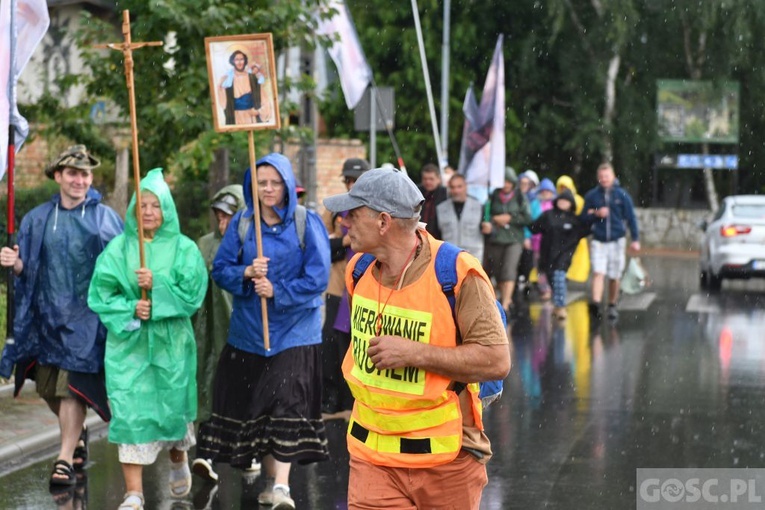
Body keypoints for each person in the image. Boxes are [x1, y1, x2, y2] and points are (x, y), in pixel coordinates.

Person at [322, 167, 510, 510]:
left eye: (353, 213)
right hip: (371, 457)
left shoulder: (457, 274)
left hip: (445, 461)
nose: (344, 221)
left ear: (383, 222)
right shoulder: (358, 269)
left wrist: (415, 353)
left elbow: (497, 360)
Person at [196, 153, 330, 510]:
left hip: (296, 333)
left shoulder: (306, 222)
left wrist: (279, 290)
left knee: (286, 404)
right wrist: (246, 273)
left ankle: (283, 486)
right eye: (261, 183)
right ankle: (272, 480)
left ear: (287, 184)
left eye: (275, 182)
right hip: (250, 334)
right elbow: (220, 269)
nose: (268, 189)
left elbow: (317, 277)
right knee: (260, 411)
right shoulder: (242, 223)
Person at [0, 144, 123, 487]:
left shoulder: (105, 220)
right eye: (72, 173)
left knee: (71, 389)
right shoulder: (37, 219)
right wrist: (15, 264)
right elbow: (29, 269)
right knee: (49, 389)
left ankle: (64, 457)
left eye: (84, 174)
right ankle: (77, 433)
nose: (79, 180)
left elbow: (122, 267)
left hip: (86, 321)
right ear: (58, 176)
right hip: (45, 320)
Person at [88, 168, 208, 510]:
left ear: (166, 209)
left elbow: (193, 295)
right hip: (130, 348)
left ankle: (177, 457)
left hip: (172, 346)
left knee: (173, 409)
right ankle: (134, 493)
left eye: (155, 205)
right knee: (130, 413)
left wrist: (159, 287)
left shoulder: (184, 249)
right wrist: (131, 308)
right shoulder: (118, 249)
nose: (148, 212)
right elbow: (100, 295)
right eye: (142, 205)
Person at [191, 185, 245, 484]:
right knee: (210, 389)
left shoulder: (251, 244)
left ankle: (245, 451)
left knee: (241, 390)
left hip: (238, 330)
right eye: (219, 216)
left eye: (229, 216)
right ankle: (206, 452)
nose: (223, 223)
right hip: (208, 334)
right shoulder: (204, 244)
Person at [320, 157, 370, 416]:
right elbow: (322, 247)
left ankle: (355, 400)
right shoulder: (334, 210)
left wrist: (346, 241)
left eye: (357, 180)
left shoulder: (373, 208)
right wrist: (346, 241)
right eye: (349, 180)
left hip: (365, 288)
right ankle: (332, 399)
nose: (352, 185)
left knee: (358, 345)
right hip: (336, 286)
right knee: (331, 344)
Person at [581, 162, 640, 320]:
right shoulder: (592, 196)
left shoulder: (622, 195)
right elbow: (583, 217)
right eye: (601, 177)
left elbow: (631, 218)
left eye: (607, 176)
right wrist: (596, 214)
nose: (604, 179)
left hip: (617, 240)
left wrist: (635, 239)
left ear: (613, 176)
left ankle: (612, 304)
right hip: (599, 239)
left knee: (614, 275)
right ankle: (596, 303)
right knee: (598, 272)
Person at [528, 190, 594, 320]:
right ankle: (557, 305)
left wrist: (593, 216)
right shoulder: (548, 216)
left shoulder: (574, 220)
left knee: (559, 277)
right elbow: (533, 227)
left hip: (564, 255)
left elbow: (586, 230)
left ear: (571, 204)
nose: (563, 203)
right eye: (561, 200)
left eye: (566, 201)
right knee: (552, 280)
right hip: (547, 254)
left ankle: (561, 306)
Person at [484, 166, 532, 315]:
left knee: (509, 270)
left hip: (514, 238)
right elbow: (486, 214)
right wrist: (494, 220)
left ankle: (505, 303)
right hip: (497, 238)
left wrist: (511, 218)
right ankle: (501, 299)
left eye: (508, 182)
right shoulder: (493, 196)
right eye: (503, 182)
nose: (506, 185)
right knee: (497, 271)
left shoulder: (519, 197)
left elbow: (528, 217)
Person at [436, 172, 489, 262]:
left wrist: (490, 230)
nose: (456, 191)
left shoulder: (479, 206)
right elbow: (436, 233)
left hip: (473, 256)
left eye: (459, 187)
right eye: (452, 187)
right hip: (449, 256)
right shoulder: (440, 208)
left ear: (466, 187)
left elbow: (488, 232)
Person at [218, 50, 272, 125]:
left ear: (245, 61)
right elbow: (223, 101)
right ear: (233, 61)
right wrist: (220, 85)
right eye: (237, 60)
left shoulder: (252, 78)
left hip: (250, 116)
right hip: (236, 116)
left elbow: (263, 97)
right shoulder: (228, 79)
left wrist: (258, 111)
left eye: (241, 59)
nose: (239, 62)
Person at [556, 174, 590, 283]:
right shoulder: (557, 200)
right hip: (560, 235)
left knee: (574, 260)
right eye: (561, 188)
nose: (563, 190)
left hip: (574, 235)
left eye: (565, 187)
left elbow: (582, 218)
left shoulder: (578, 200)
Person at [528, 178, 557, 301]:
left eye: (548, 191)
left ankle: (553, 288)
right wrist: (527, 238)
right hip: (537, 243)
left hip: (552, 243)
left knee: (553, 266)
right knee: (540, 266)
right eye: (543, 191)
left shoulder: (555, 205)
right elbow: (529, 223)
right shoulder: (534, 204)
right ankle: (544, 289)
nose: (545, 193)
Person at [417, 162, 447, 238]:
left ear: (438, 179)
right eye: (425, 179)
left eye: (431, 179)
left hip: (439, 235)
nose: (428, 182)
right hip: (420, 234)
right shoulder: (417, 192)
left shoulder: (446, 194)